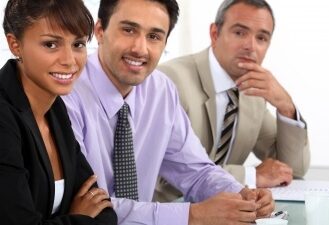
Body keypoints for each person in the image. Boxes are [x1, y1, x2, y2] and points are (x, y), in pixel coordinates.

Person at [62, 0, 274, 225]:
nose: (140, 48)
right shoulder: (67, 92)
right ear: (100, 31)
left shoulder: (161, 90)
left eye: (154, 36)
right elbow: (85, 205)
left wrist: (242, 196)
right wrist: (193, 216)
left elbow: (196, 171)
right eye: (128, 30)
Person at [0, 0, 117, 224]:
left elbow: (103, 209)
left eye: (78, 44)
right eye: (51, 44)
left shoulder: (55, 108)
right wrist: (78, 217)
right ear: (15, 45)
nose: (69, 60)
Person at [156, 0, 310, 201]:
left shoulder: (251, 92)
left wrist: (286, 106)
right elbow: (164, 174)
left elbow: (292, 169)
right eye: (239, 33)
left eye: (261, 38)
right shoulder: (170, 81)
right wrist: (251, 176)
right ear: (214, 34)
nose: (250, 46)